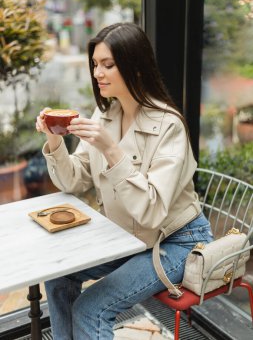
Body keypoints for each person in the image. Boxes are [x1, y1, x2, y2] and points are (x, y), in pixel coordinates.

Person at [36, 22, 213, 340]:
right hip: (128, 236)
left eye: (108, 65)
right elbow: (73, 181)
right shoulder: (105, 115)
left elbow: (151, 212)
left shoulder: (169, 126)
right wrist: (54, 142)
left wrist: (111, 149)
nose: (98, 74)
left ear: (135, 66)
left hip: (176, 242)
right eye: (95, 65)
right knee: (58, 276)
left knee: (92, 308)